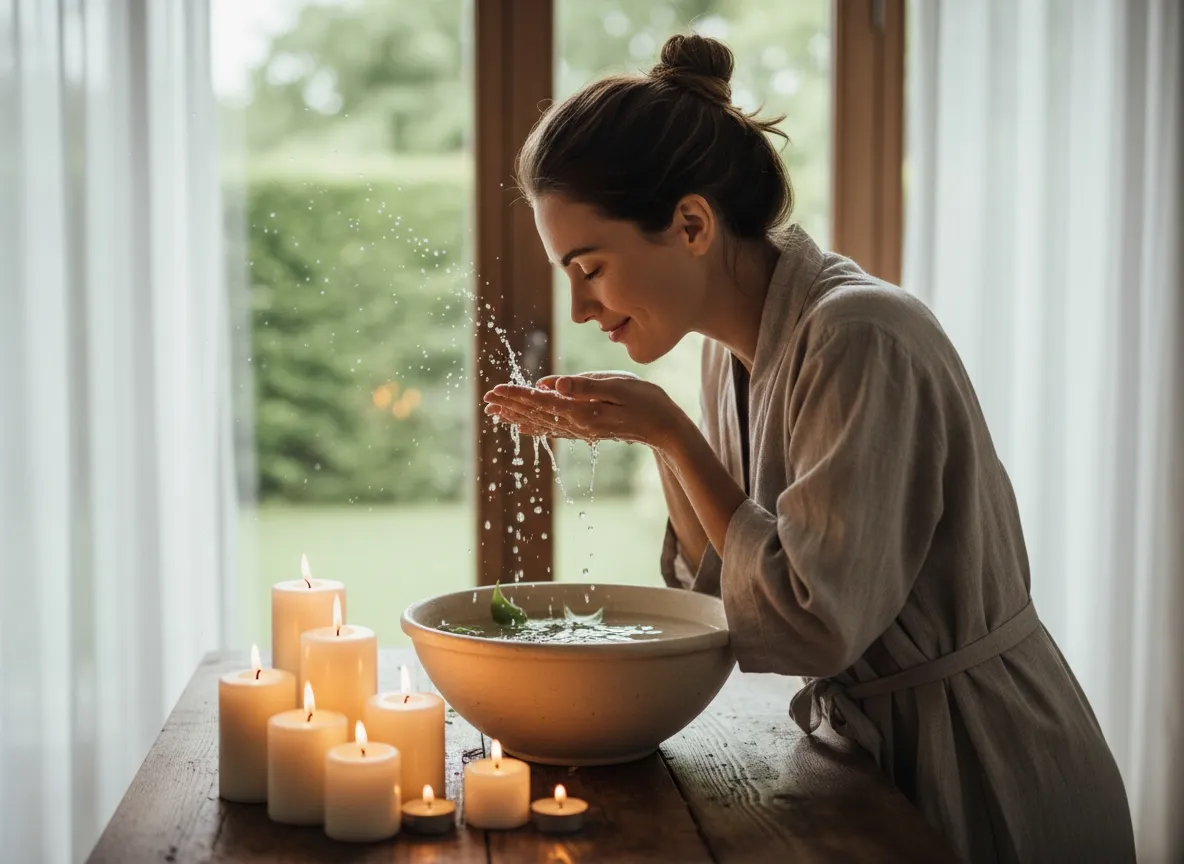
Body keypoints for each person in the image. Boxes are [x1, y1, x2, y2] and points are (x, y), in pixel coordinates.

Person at [481, 33, 1136, 864]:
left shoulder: (861, 335)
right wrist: (660, 437)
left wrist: (671, 433)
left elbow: (811, 622)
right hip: (863, 754)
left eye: (590, 266)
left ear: (690, 223)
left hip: (982, 761)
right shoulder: (733, 347)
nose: (578, 308)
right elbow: (723, 587)